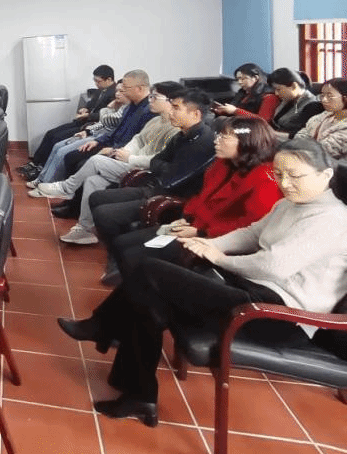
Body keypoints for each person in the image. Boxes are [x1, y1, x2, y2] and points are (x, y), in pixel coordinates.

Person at [58, 137, 347, 427]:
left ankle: (105, 330)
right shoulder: (290, 204)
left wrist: (219, 258)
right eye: (279, 174)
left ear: (325, 174)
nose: (285, 183)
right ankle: (138, 393)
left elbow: (273, 266)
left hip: (279, 316)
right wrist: (209, 245)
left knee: (149, 272)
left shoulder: (332, 219)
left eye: (295, 176)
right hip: (251, 291)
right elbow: (251, 233)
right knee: (150, 298)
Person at [108, 116, 282, 280]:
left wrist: (200, 232)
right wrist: (187, 218)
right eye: (219, 135)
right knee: (122, 243)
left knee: (133, 255)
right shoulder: (223, 164)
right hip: (194, 225)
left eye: (224, 137)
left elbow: (249, 226)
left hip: (217, 240)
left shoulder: (265, 179)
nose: (217, 140)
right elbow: (202, 197)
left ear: (248, 142)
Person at [89, 88, 216, 284]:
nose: (171, 112)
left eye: (176, 108)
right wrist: (163, 167)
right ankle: (116, 254)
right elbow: (157, 160)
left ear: (195, 114)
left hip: (172, 196)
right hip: (156, 186)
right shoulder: (182, 135)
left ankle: (118, 260)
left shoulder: (203, 142)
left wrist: (162, 167)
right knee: (97, 197)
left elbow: (171, 178)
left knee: (105, 214)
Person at [32, 81, 184, 245]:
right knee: (92, 181)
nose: (150, 100)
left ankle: (67, 188)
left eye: (155, 97)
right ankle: (84, 230)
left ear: (171, 101)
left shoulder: (174, 128)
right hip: (129, 160)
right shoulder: (155, 121)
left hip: (142, 170)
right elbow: (138, 139)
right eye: (151, 96)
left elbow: (158, 158)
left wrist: (130, 158)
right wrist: (124, 152)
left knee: (96, 161)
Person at [18, 65, 116, 179]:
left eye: (98, 81)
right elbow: (91, 104)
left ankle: (41, 168)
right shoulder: (100, 90)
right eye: (95, 81)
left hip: (91, 126)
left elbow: (106, 116)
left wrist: (89, 115)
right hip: (83, 121)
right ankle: (35, 163)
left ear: (109, 79)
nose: (96, 84)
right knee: (50, 133)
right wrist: (85, 108)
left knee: (57, 138)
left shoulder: (114, 94)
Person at [62, 70, 156, 177]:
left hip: (122, 151)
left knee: (81, 164)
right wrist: (97, 141)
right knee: (70, 156)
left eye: (126, 88)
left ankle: (70, 187)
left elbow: (139, 143)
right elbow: (116, 130)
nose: (123, 91)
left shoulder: (149, 111)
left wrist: (113, 150)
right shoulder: (131, 105)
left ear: (139, 89)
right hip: (110, 143)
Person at [295, 77, 347, 159]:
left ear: (345, 98)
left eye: (330, 96)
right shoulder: (325, 115)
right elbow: (300, 136)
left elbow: (324, 150)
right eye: (322, 95)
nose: (324, 100)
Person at [265, 68, 321, 136]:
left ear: (294, 86)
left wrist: (270, 134)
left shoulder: (312, 106)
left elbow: (301, 135)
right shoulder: (288, 99)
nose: (276, 93)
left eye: (278, 89)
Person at [213, 62, 278, 119]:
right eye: (238, 79)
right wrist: (225, 111)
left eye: (243, 79)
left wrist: (235, 111)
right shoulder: (243, 93)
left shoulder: (269, 96)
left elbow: (263, 119)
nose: (239, 82)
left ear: (255, 78)